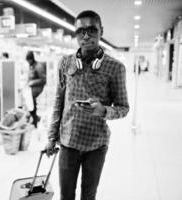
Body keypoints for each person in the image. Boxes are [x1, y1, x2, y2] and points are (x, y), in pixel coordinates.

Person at [45, 10, 129, 200]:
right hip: (68, 143)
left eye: (91, 30)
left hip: (96, 145)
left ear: (101, 31)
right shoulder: (65, 63)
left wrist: (104, 111)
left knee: (88, 196)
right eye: (80, 31)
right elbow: (59, 102)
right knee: (66, 195)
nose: (85, 35)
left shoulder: (115, 68)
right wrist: (51, 137)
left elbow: (123, 107)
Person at [26, 51, 46, 128]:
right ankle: (35, 119)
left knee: (32, 106)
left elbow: (43, 79)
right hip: (31, 89)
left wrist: (32, 82)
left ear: (31, 59)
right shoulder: (32, 66)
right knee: (31, 106)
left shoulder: (38, 66)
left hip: (36, 89)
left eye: (28, 60)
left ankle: (35, 122)